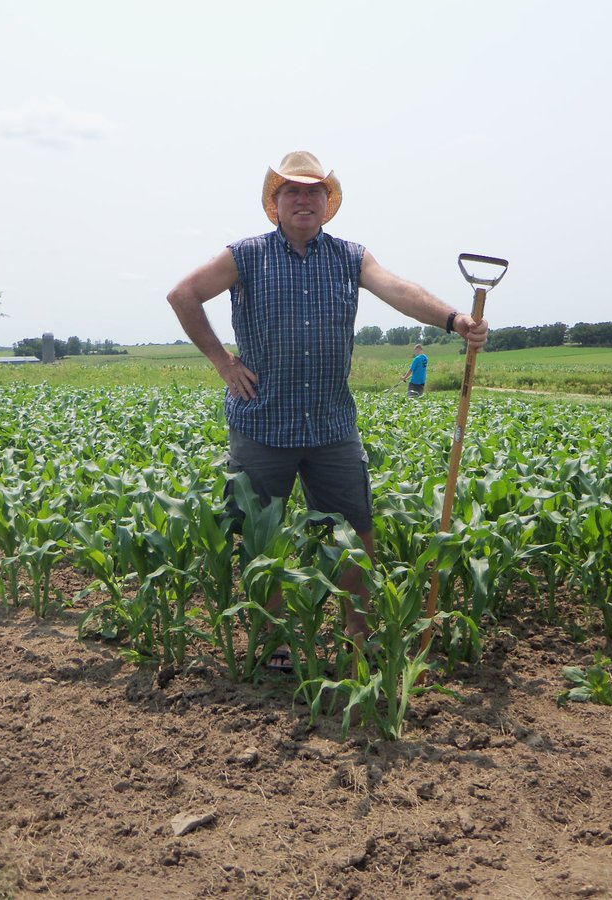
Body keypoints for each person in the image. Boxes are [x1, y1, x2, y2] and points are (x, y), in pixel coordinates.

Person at [166, 150, 488, 667]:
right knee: (260, 532)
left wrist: (453, 319)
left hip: (332, 425)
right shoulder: (245, 255)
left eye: (314, 190)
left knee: (356, 529)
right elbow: (183, 294)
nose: (303, 199)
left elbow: (398, 290)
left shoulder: (350, 256)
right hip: (263, 422)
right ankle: (272, 644)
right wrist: (223, 362)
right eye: (292, 190)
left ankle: (357, 636)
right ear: (275, 202)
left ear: (327, 202)